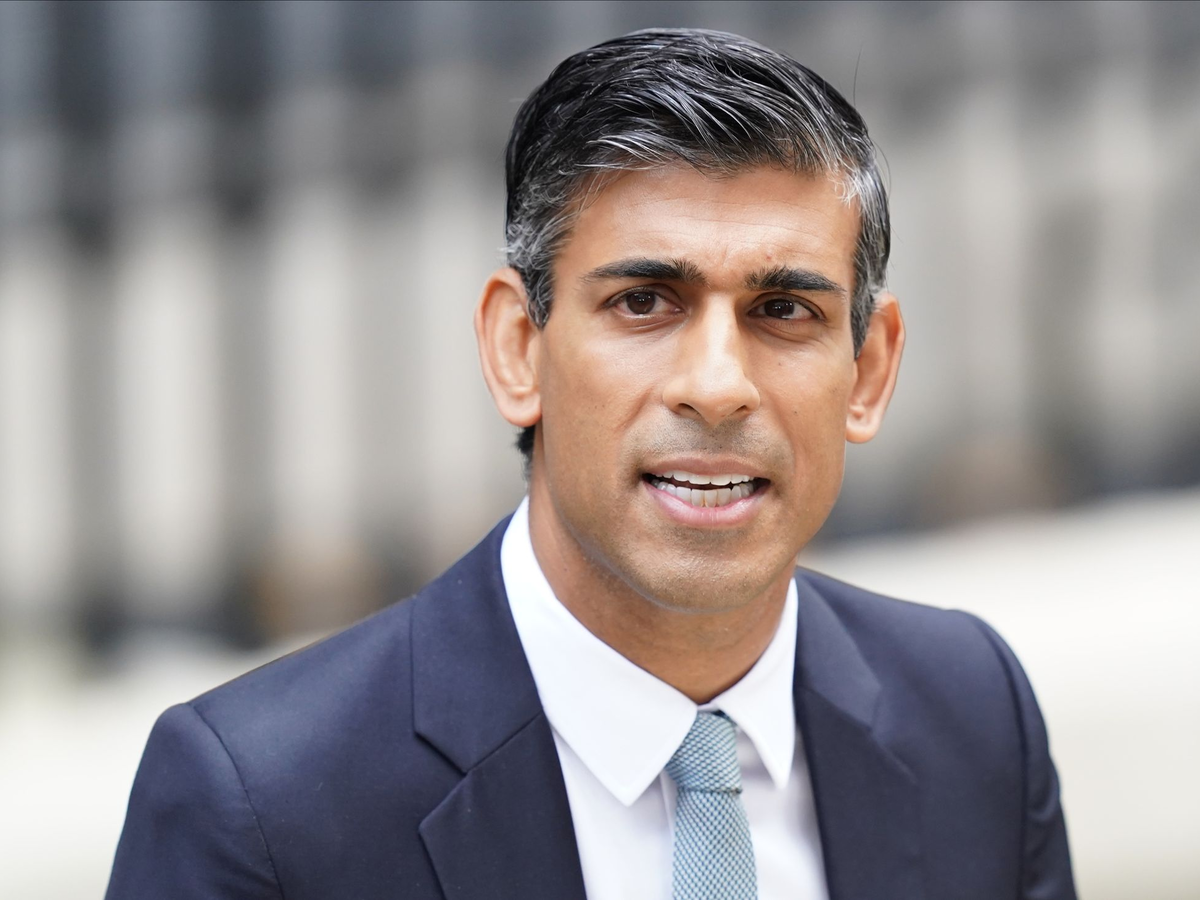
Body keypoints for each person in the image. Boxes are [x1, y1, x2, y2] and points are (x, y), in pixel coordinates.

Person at [106, 28, 1076, 900]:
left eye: (783, 311)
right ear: (516, 349)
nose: (717, 386)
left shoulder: (972, 717)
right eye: (644, 303)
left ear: (868, 371)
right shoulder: (262, 806)